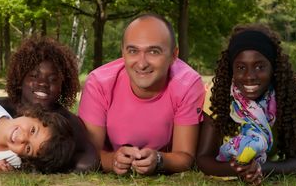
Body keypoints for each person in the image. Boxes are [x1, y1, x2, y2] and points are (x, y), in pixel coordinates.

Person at [78, 13, 206, 175]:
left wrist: (159, 160)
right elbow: (88, 152)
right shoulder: (98, 83)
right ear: (123, 52)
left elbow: (185, 156)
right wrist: (113, 161)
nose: (142, 63)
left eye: (153, 52)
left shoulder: (188, 84)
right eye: (133, 51)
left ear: (174, 55)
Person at [196, 24, 296, 185]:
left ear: (273, 67)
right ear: (231, 70)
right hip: (228, 164)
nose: (250, 76)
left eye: (259, 67)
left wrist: (262, 168)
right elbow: (204, 158)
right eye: (241, 67)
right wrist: (240, 170)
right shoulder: (219, 95)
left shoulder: (286, 96)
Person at [0, 36, 99, 172]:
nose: (43, 83)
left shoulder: (66, 123)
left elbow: (90, 162)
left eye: (53, 79)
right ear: (20, 79)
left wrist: (43, 164)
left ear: (63, 86)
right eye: (34, 76)